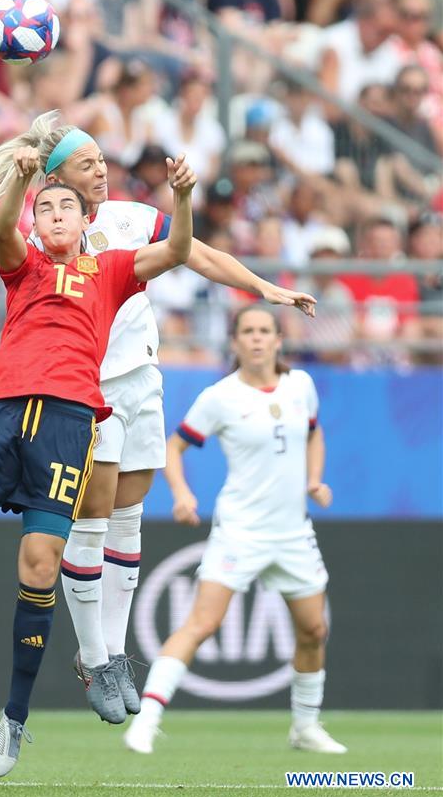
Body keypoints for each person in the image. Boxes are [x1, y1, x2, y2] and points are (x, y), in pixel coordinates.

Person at [0, 111, 317, 727]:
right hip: (85, 388)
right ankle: (94, 657)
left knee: (129, 512)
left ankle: (113, 653)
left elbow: (199, 255)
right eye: (87, 164)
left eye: (101, 160)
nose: (101, 170)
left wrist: (263, 288)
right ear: (56, 179)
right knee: (93, 516)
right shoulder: (46, 235)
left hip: (142, 376)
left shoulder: (133, 217)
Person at [0, 144, 197, 778]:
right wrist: (18, 182)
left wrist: (183, 198)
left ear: (86, 218)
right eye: (47, 207)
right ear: (35, 223)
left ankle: (14, 717)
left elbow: (177, 251)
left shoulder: (111, 269)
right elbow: (0, 228)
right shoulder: (24, 266)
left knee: (39, 567)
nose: (58, 213)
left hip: (67, 425)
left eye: (68, 205)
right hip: (2, 414)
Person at [124, 305, 346, 755]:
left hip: (292, 533)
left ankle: (305, 728)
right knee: (201, 623)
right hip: (240, 531)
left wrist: (314, 480)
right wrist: (182, 494)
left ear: (279, 340)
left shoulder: (301, 385)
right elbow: (174, 447)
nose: (257, 338)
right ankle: (146, 721)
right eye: (248, 331)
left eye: (265, 330)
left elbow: (314, 432)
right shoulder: (220, 397)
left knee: (313, 630)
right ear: (235, 341)